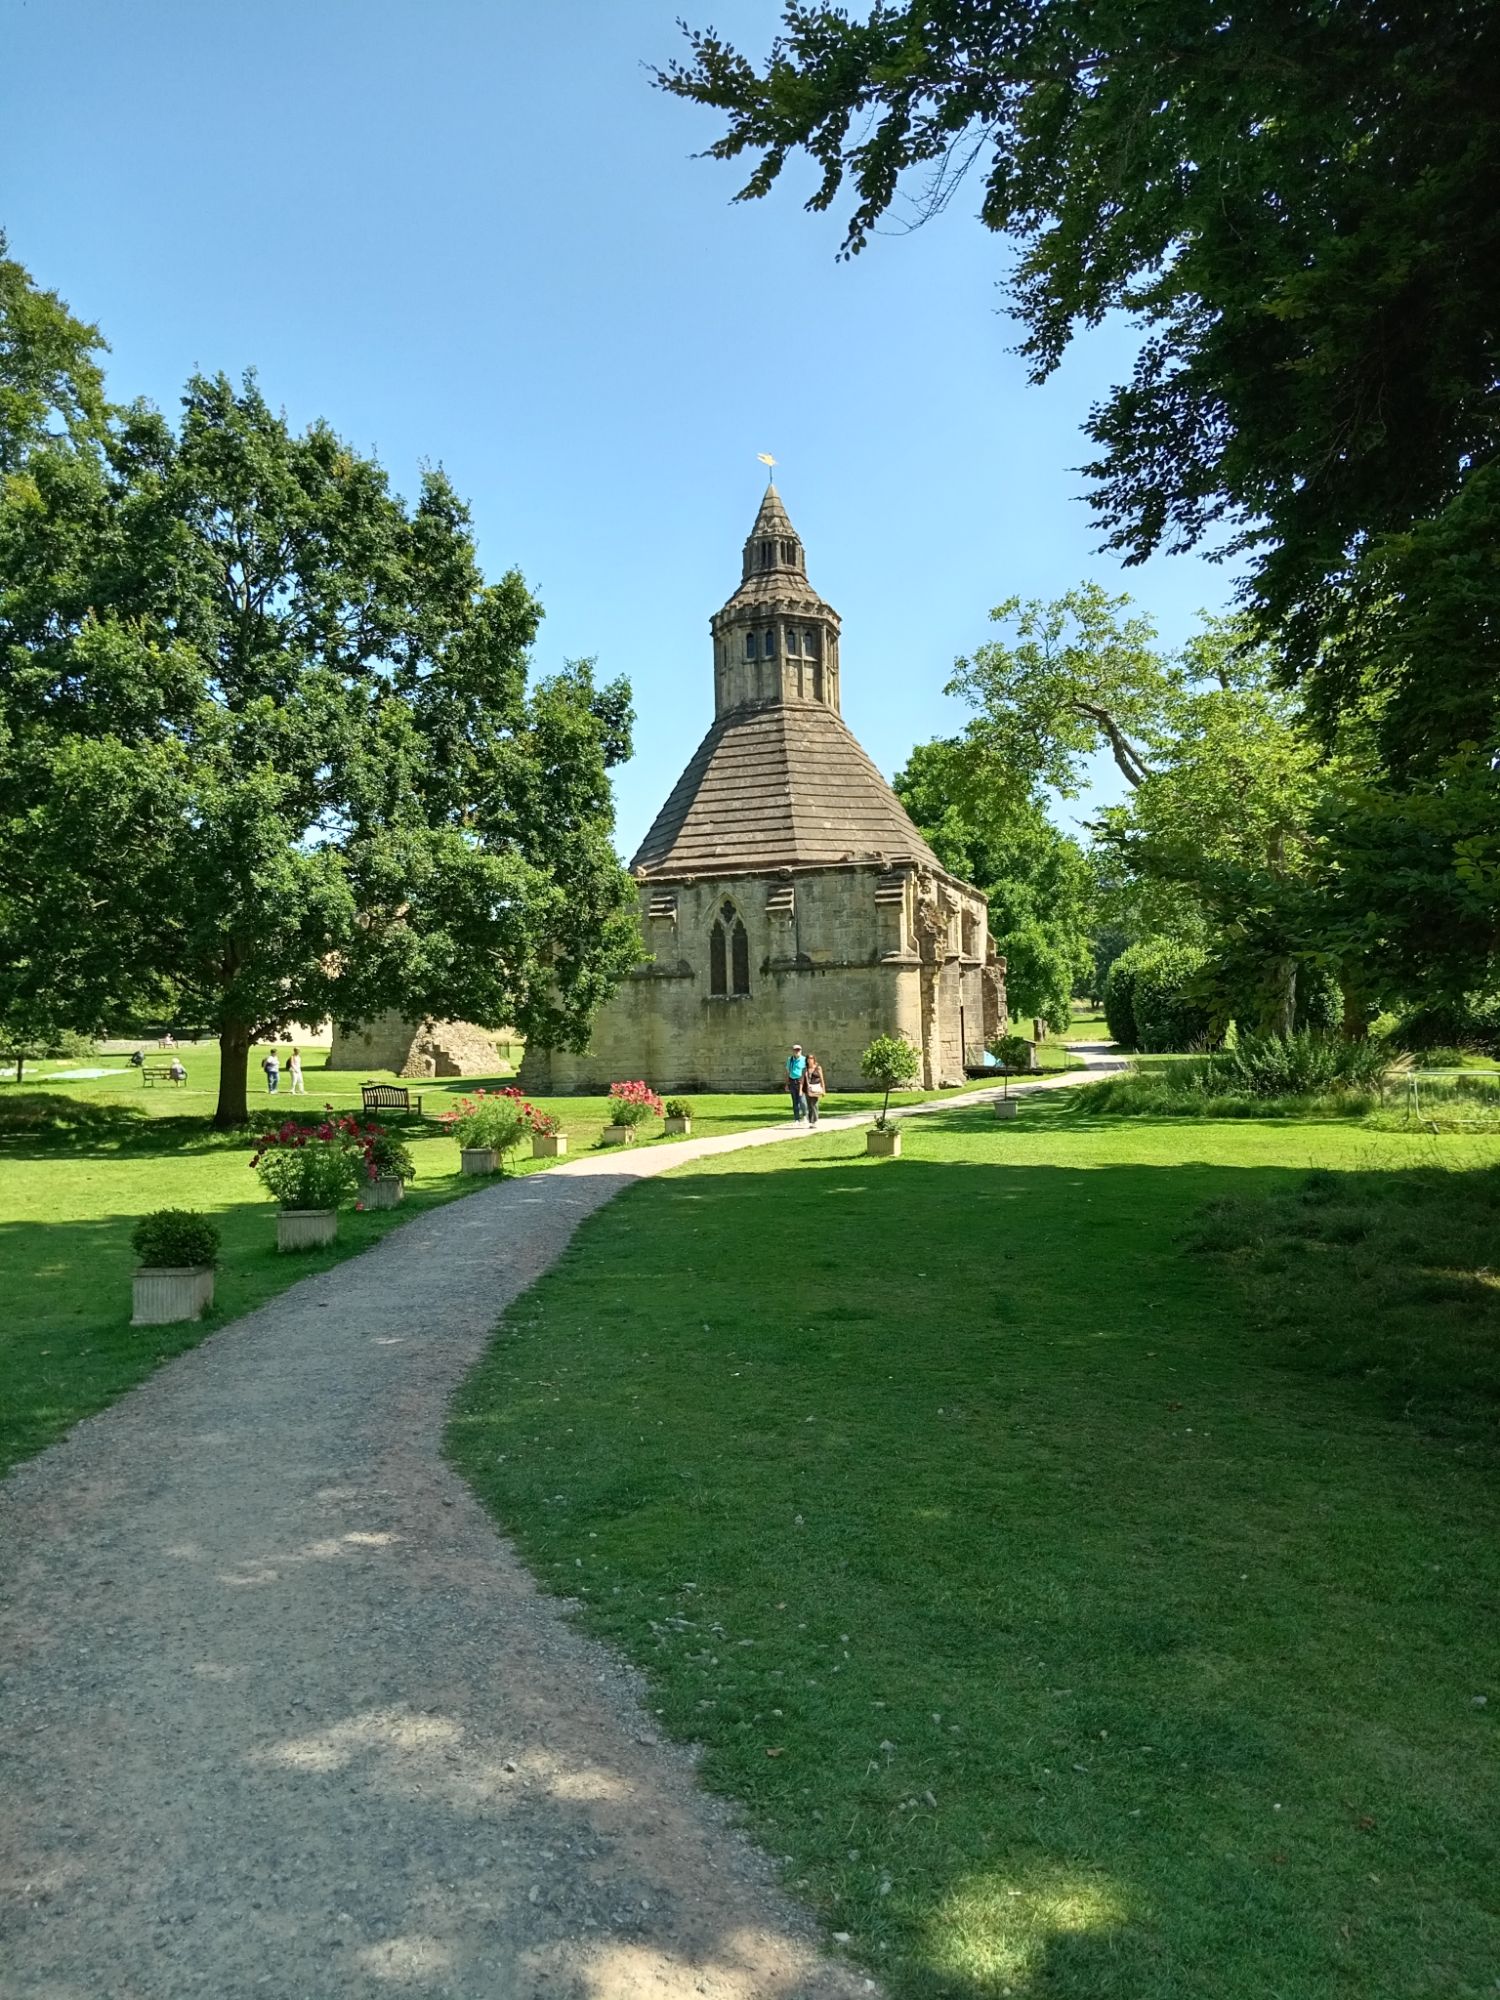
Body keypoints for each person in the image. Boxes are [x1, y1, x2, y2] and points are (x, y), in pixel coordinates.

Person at [802, 1051, 826, 1126]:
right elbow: (803, 1079)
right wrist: (801, 1089)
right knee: (809, 1105)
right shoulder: (805, 1069)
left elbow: (822, 1079)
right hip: (808, 1089)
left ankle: (815, 1120)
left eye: (811, 1058)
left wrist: (823, 1090)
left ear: (814, 1059)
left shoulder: (818, 1068)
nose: (810, 1060)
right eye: (808, 1059)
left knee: (814, 1104)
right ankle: (811, 1121)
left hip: (816, 1088)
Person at [786, 1043, 807, 1122]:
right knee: (795, 1101)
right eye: (795, 1050)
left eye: (798, 1050)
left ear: (801, 1051)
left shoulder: (804, 1059)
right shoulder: (790, 1060)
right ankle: (796, 1119)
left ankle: (805, 1115)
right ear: (793, 1051)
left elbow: (805, 1072)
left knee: (802, 1100)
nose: (797, 1051)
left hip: (801, 1080)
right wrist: (787, 1083)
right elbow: (788, 1071)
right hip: (792, 1081)